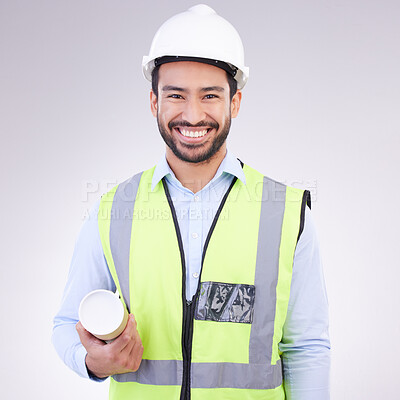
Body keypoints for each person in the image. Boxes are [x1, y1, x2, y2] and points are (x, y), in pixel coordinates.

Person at [52, 4, 330, 400]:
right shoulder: (114, 210)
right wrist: (93, 361)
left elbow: (306, 349)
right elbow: (66, 324)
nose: (193, 114)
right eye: (176, 95)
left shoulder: (285, 213)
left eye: (210, 95)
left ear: (235, 103)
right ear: (154, 102)